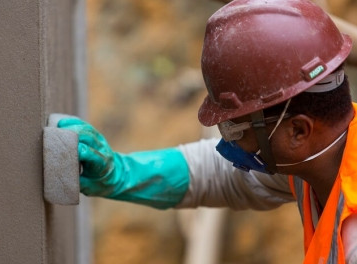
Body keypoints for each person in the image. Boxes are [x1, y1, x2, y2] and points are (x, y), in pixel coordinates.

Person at [58, 0, 357, 263]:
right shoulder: (322, 158)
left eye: (235, 127)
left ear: (298, 131)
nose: (231, 142)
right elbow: (218, 174)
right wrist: (122, 173)